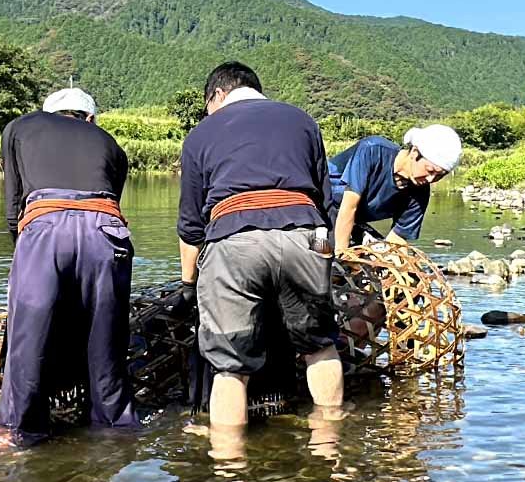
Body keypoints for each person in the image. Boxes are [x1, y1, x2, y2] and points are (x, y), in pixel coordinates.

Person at [171, 62, 343, 437]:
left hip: (234, 238)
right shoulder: (302, 121)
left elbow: (190, 224)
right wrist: (326, 257)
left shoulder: (202, 133)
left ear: (217, 95)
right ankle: (330, 445)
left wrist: (188, 285)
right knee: (319, 346)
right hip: (304, 234)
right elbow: (327, 202)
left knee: (230, 365)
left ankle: (230, 469)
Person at [0, 87, 139, 447]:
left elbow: (14, 205)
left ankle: (18, 430)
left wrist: (24, 255)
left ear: (50, 113)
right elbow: (110, 200)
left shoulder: (19, 127)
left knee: (28, 336)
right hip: (106, 231)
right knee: (107, 339)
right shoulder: (110, 143)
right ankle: (116, 430)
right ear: (89, 119)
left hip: (45, 226)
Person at [328, 125, 462, 255]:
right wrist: (343, 255)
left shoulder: (420, 193)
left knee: (381, 255)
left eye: (440, 176)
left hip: (354, 220)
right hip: (321, 203)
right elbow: (348, 207)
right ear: (414, 153)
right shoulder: (373, 150)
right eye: (430, 170)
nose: (431, 179)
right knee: (336, 262)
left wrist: (398, 265)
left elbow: (397, 238)